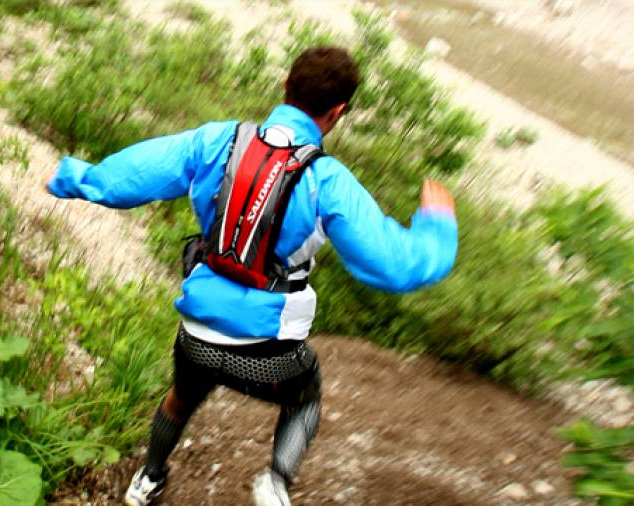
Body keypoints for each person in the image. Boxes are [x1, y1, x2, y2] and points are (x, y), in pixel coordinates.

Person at [45, 46, 458, 506]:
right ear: (337, 113)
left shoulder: (217, 141)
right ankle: (274, 483)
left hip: (198, 331)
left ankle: (148, 478)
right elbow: (396, 266)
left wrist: (70, 176)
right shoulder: (328, 180)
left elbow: (125, 179)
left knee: (182, 396)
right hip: (270, 351)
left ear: (285, 86)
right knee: (304, 398)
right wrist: (436, 227)